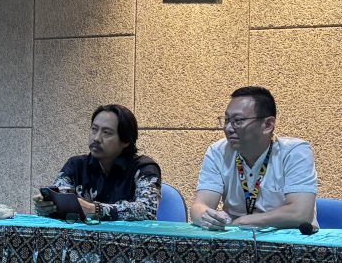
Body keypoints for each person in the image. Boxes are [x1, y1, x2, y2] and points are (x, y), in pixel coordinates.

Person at [191, 86, 317, 230]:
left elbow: (300, 214)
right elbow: (199, 206)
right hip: (234, 242)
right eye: (226, 120)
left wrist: (244, 221)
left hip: (290, 245)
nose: (228, 128)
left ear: (268, 125)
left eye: (238, 120)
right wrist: (207, 218)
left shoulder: (294, 152)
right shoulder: (217, 152)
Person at [33, 104, 161, 221]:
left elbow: (147, 211)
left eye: (106, 133)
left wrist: (96, 210)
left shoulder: (145, 168)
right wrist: (46, 207)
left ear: (126, 140)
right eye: (94, 129)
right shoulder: (76, 165)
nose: (96, 138)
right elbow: (60, 199)